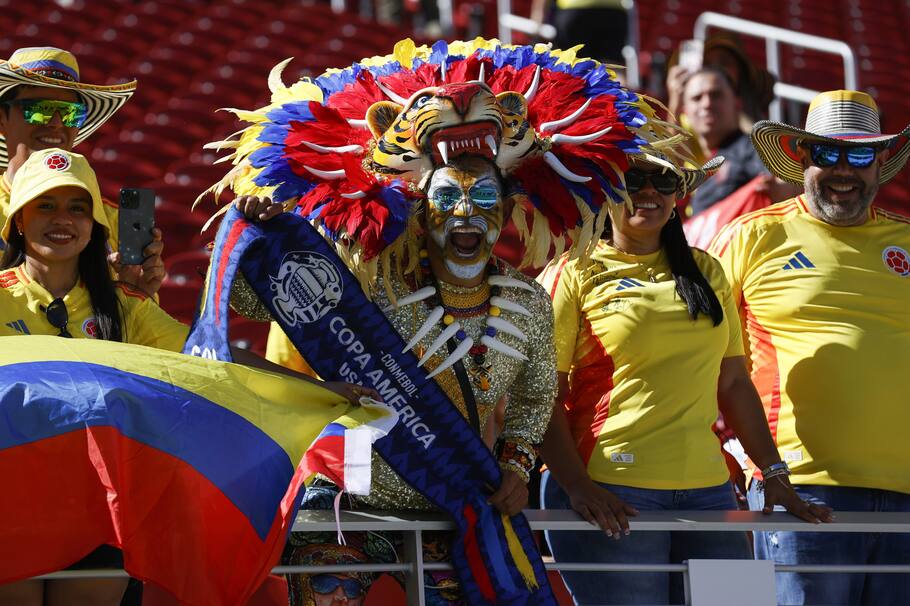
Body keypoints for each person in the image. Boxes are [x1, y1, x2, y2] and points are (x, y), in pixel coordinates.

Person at [207, 38, 685, 604]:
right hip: (346, 506)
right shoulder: (368, 282)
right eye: (447, 198)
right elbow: (251, 304)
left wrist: (516, 466)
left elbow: (534, 400)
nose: (465, 212)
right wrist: (249, 237)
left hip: (456, 504)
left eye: (483, 197)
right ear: (421, 208)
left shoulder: (526, 300)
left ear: (506, 211)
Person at [0, 149, 372, 606]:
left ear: (95, 224)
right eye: (45, 205)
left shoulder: (124, 306)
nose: (62, 220)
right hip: (12, 501)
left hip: (95, 509)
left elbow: (208, 359)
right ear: (18, 220)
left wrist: (316, 390)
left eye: (77, 208)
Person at [537, 152, 832, 606]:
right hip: (610, 491)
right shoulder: (572, 272)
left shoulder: (707, 270)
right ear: (607, 190)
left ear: (678, 196)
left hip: (709, 493)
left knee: (736, 605)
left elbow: (733, 383)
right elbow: (541, 397)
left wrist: (774, 473)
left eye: (665, 181)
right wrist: (576, 487)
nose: (650, 192)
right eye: (634, 179)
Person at [709, 89, 910, 606]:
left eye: (860, 154)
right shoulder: (752, 236)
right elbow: (695, 349)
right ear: (802, 157)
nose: (844, 169)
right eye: (827, 153)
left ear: (881, 161)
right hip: (799, 489)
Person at [0, 46, 164, 297]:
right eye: (39, 109)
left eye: (69, 113)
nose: (56, 123)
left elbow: (138, 330)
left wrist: (136, 295)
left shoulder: (113, 221)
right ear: (2, 119)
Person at [678, 67, 768, 215]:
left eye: (716, 95)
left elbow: (778, 185)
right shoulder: (704, 170)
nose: (707, 103)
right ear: (685, 111)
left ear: (737, 103)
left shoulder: (755, 147)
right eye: (697, 98)